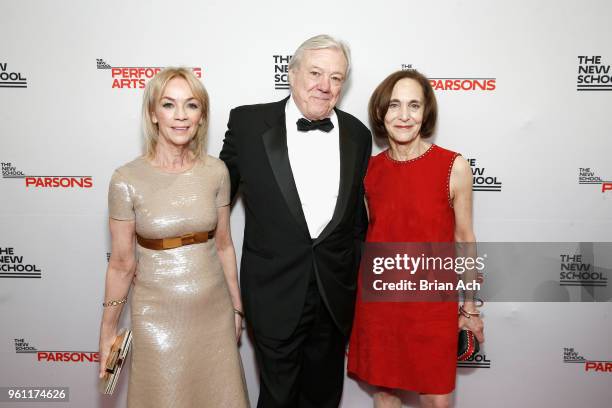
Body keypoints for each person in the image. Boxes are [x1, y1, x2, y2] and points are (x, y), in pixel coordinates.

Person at [220, 34, 372, 408]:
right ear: (291, 73)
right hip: (273, 293)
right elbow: (214, 200)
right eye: (316, 73)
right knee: (278, 398)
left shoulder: (358, 134)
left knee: (324, 398)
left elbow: (356, 221)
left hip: (334, 297)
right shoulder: (247, 124)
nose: (325, 86)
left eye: (336, 78)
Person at [98, 67, 249, 408]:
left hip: (214, 311)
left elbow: (224, 245)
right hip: (155, 313)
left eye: (191, 105)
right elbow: (121, 264)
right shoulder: (126, 179)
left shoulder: (216, 171)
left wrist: (237, 309)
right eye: (169, 105)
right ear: (152, 113)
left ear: (202, 115)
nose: (181, 116)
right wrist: (108, 331)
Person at [347, 70, 485, 408]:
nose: (404, 116)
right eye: (394, 105)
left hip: (432, 306)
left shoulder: (453, 166)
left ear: (426, 114)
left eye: (414, 106)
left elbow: (465, 239)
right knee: (385, 395)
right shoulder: (368, 171)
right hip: (380, 306)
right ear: (381, 112)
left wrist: (469, 307)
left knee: (437, 399)